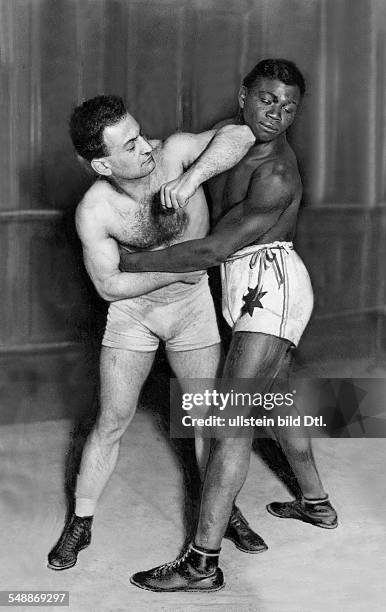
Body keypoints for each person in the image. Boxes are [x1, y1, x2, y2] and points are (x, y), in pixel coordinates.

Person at [119, 59, 338, 592]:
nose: (276, 114)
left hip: (274, 288)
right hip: (249, 286)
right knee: (275, 401)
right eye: (267, 99)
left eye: (289, 106)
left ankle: (202, 563)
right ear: (244, 96)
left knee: (228, 423)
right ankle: (317, 505)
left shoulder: (278, 173)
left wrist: (131, 261)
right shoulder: (234, 138)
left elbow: (218, 247)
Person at [47, 95, 268, 572]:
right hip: (135, 313)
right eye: (131, 144)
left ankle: (223, 512)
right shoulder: (96, 210)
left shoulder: (173, 153)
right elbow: (109, 286)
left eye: (141, 132)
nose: (146, 146)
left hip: (192, 311)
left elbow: (245, 133)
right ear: (103, 163)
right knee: (112, 420)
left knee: (208, 419)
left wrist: (193, 177)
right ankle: (80, 522)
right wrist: (180, 269)